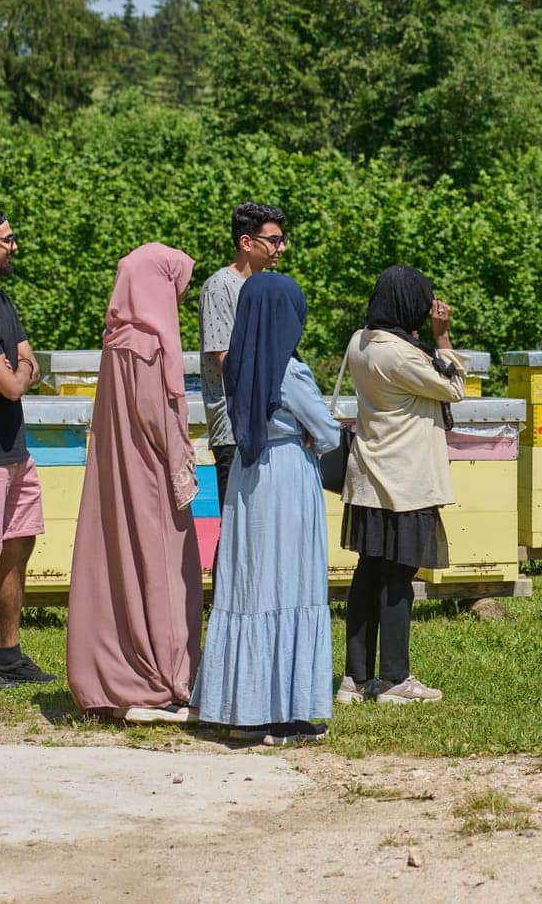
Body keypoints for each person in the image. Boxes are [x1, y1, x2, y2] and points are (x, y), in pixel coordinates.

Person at [193, 273, 340, 746]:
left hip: (247, 477)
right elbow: (330, 432)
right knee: (290, 580)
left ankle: (244, 710)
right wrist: (316, 431)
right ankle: (288, 710)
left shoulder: (238, 364)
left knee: (251, 581)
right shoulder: (289, 369)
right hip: (288, 473)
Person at [66, 244, 202, 720]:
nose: (179, 300)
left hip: (117, 473)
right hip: (150, 479)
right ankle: (164, 677)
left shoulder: (117, 338)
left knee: (113, 564)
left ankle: (109, 674)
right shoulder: (149, 345)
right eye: (176, 287)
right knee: (162, 569)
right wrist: (182, 463)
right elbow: (156, 418)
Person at [338, 266, 466, 705]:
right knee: (398, 577)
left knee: (368, 573)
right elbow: (453, 388)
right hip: (406, 479)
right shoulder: (403, 355)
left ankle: (354, 679)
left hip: (368, 475)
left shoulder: (360, 341)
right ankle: (395, 679)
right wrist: (443, 337)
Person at [0, 211, 54, 691]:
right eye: (7, 239)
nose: (14, 246)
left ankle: (7, 655)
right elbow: (13, 383)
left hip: (15, 449)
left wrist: (24, 369)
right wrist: (23, 370)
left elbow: (33, 361)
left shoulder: (2, 299)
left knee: (20, 542)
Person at [200, 202, 286, 509]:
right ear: (246, 242)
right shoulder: (220, 286)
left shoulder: (266, 287)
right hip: (234, 428)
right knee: (236, 524)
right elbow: (228, 362)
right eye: (274, 240)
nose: (282, 247)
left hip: (268, 422)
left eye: (283, 239)